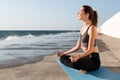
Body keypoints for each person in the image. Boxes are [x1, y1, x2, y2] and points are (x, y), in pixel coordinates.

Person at [56, 5, 101, 74]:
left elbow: (90, 50)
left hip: (93, 60)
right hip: (85, 57)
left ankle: (86, 67)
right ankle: (83, 67)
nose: (77, 13)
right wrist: (64, 53)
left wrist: (78, 56)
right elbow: (77, 47)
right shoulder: (82, 29)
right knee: (63, 57)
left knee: (74, 63)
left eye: (80, 11)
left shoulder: (92, 28)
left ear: (87, 14)